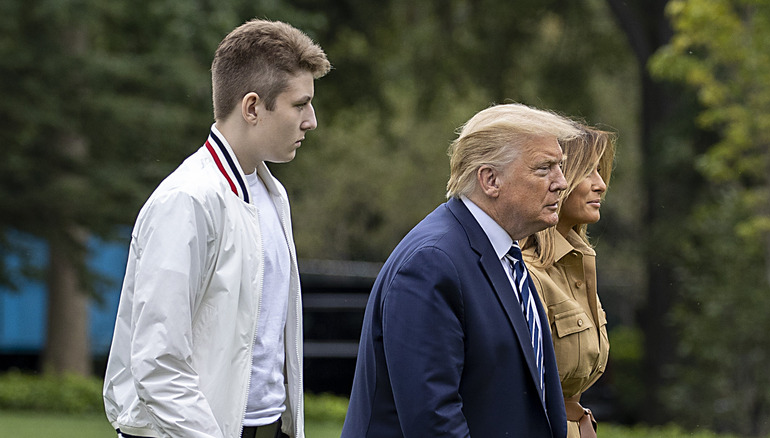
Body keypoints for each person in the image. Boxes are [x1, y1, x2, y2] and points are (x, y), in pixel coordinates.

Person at [102, 19, 330, 438]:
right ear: (252, 107)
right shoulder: (186, 201)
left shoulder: (270, 193)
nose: (311, 120)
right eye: (300, 104)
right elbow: (158, 363)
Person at [341, 103, 583, 438]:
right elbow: (435, 422)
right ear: (490, 179)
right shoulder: (432, 263)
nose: (561, 183)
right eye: (544, 169)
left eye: (560, 167)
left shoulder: (502, 251)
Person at [521, 126, 616, 438]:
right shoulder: (528, 273)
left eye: (600, 172)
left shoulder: (578, 265)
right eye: (588, 171)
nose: (601, 185)